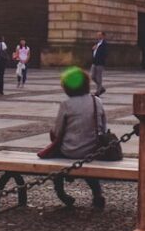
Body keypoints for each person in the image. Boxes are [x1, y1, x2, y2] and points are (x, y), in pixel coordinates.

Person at [43, 67, 107, 208]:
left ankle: (61, 193)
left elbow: (57, 132)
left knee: (56, 159)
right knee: (88, 162)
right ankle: (97, 194)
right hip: (92, 150)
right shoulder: (97, 101)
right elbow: (104, 128)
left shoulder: (66, 104)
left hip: (69, 151)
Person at [90, 31, 108, 97]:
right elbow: (95, 51)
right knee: (92, 76)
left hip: (100, 63)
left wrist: (102, 60)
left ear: (103, 36)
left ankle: (98, 92)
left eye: (99, 35)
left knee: (99, 77)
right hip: (94, 62)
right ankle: (101, 88)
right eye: (97, 35)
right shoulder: (97, 43)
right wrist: (93, 49)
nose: (98, 36)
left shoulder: (104, 44)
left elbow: (105, 54)